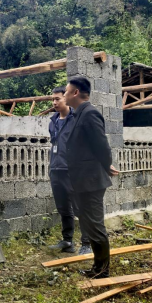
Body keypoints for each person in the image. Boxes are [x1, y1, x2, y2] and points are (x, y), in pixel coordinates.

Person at [63, 77, 119, 279]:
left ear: (75, 93)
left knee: (95, 225)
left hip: (91, 181)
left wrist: (106, 165)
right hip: (83, 180)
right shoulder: (79, 114)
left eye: (66, 91)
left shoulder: (90, 113)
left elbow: (102, 145)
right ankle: (97, 266)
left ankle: (102, 270)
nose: (64, 95)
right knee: (89, 223)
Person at [47, 86, 93, 256]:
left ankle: (87, 243)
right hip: (56, 169)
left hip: (73, 171)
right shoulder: (53, 121)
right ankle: (67, 241)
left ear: (66, 98)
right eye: (52, 99)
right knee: (63, 208)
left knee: (80, 208)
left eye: (57, 99)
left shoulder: (77, 119)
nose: (54, 102)